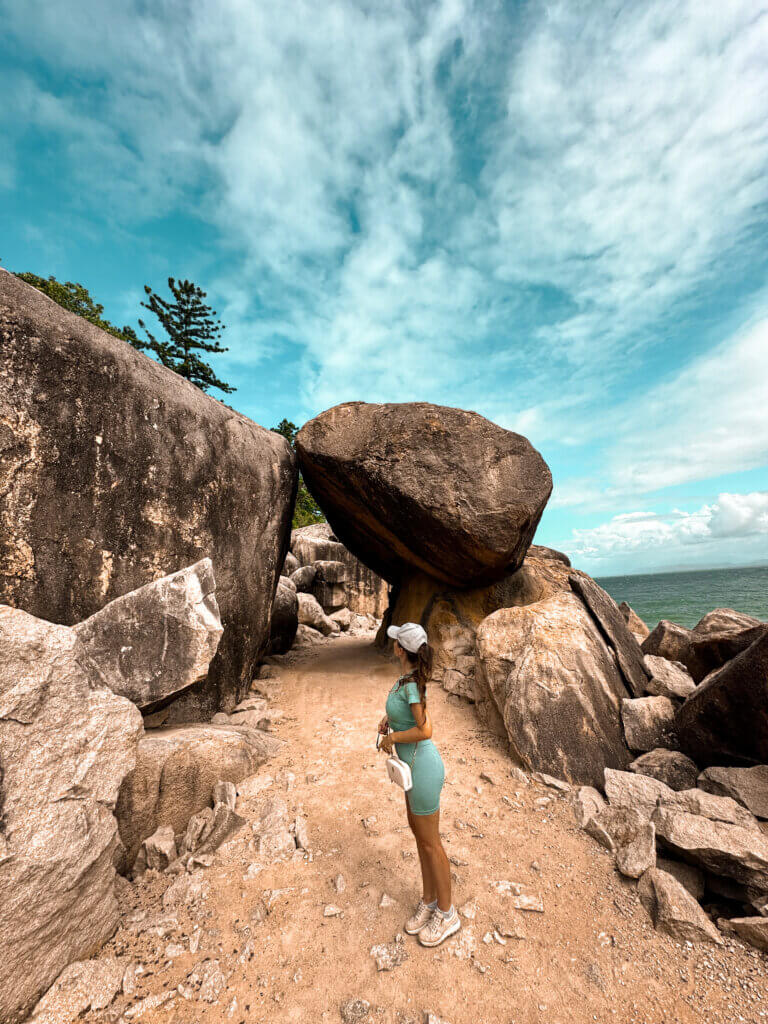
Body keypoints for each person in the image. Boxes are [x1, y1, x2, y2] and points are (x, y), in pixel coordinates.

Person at [378, 621, 460, 947]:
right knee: (419, 835)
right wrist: (389, 720)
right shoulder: (406, 680)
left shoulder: (412, 686)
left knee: (431, 843)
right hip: (413, 767)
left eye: (396, 641)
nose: (393, 644)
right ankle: (428, 901)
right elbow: (408, 714)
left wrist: (394, 737)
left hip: (423, 767)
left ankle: (448, 912)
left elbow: (425, 731)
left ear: (401, 649)